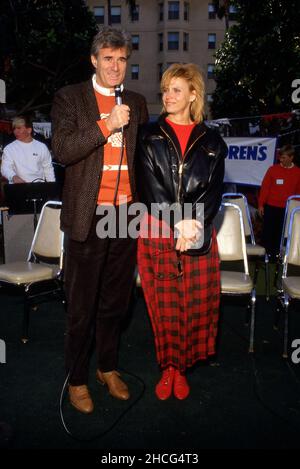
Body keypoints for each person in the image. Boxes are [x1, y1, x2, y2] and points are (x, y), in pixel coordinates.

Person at [51, 27, 148, 414]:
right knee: (81, 305)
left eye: (122, 59)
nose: (115, 66)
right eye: (108, 58)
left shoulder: (137, 102)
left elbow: (140, 159)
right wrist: (106, 124)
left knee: (116, 303)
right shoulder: (70, 97)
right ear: (94, 60)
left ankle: (107, 367)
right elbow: (61, 150)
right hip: (87, 216)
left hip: (124, 215)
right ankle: (77, 379)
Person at [136, 63, 227, 400]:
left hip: (198, 230)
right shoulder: (148, 134)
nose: (168, 95)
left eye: (176, 89)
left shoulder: (214, 141)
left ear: (193, 95)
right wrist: (179, 221)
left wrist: (194, 224)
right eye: (165, 89)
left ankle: (183, 367)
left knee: (196, 303)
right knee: (163, 304)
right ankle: (168, 369)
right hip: (159, 228)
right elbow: (150, 186)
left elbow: (214, 191)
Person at [258, 144, 300, 261]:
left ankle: (277, 257)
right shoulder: (273, 170)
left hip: (288, 209)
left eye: (284, 157)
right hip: (271, 206)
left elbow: (298, 193)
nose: (281, 160)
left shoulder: (298, 172)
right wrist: (261, 204)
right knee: (267, 232)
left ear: (291, 157)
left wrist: (295, 209)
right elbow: (265, 188)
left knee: (281, 234)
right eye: (280, 157)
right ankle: (264, 256)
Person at [1, 116, 55, 183]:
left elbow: (48, 169)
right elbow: (5, 168)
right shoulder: (9, 148)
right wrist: (13, 177)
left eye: (19, 128)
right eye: (14, 128)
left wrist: (52, 188)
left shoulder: (42, 147)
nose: (15, 131)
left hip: (39, 188)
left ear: (29, 130)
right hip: (18, 189)